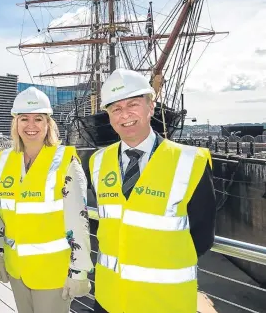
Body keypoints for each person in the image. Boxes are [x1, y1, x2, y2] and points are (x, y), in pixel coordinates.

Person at [89, 69, 216, 313]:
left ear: (151, 107)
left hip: (165, 301)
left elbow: (202, 236)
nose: (125, 114)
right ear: (109, 116)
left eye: (133, 104)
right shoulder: (97, 162)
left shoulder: (191, 162)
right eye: (116, 108)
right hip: (109, 298)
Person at [0, 87, 94, 313]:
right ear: (15, 123)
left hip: (53, 273)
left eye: (38, 119)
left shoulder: (65, 161)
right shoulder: (2, 162)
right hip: (17, 269)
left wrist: (79, 272)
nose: (31, 125)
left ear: (48, 124)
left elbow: (79, 221)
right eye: (24, 119)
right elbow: (0, 216)